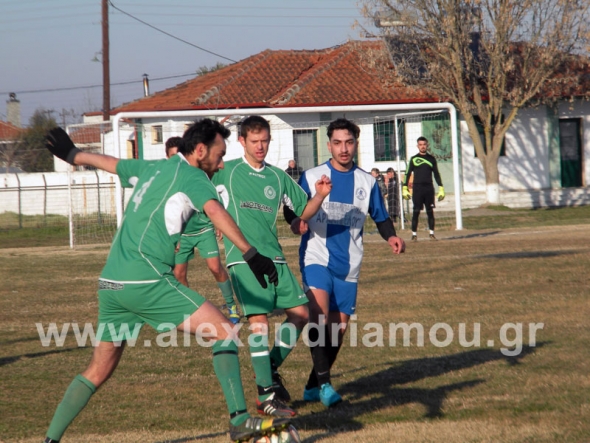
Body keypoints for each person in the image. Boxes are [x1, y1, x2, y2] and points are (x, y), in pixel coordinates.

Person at [41, 120, 291, 443]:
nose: (220, 163)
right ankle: (240, 421)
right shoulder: (193, 176)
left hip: (112, 284)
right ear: (200, 151)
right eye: (219, 155)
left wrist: (73, 154)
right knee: (225, 330)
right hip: (146, 281)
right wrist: (251, 253)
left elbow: (111, 163)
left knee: (98, 370)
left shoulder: (154, 168)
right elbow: (215, 211)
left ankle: (50, 440)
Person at [212, 115, 332, 418]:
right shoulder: (227, 172)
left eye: (265, 140)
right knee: (259, 321)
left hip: (275, 258)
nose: (261, 146)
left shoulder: (278, 177)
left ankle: (268, 366)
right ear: (242, 142)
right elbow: (203, 197)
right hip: (243, 258)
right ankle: (266, 392)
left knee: (302, 314)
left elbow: (303, 211)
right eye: (255, 141)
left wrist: (319, 195)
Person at [284, 118, 405, 407]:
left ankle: (314, 385)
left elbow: (380, 215)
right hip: (316, 257)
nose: (343, 148)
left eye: (349, 142)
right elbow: (291, 209)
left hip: (349, 264)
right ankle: (326, 386)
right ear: (329, 145)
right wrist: (296, 223)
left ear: (356, 144)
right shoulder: (313, 175)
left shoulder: (367, 181)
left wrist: (391, 237)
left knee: (337, 333)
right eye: (337, 143)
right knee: (319, 316)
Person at [166, 137, 241, 325]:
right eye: (173, 156)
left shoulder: (199, 174)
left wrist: (217, 223)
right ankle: (189, 312)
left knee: (215, 267)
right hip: (182, 235)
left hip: (203, 228)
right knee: (179, 274)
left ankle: (231, 305)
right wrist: (173, 236)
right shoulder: (167, 179)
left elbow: (212, 200)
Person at [402, 136, 445, 241]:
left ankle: (431, 233)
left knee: (430, 211)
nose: (422, 146)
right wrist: (404, 188)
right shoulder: (413, 159)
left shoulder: (431, 159)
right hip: (417, 188)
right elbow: (407, 174)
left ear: (427, 145)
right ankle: (414, 234)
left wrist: (441, 188)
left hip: (429, 188)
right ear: (417, 146)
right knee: (416, 211)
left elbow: (436, 174)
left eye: (424, 144)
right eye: (420, 145)